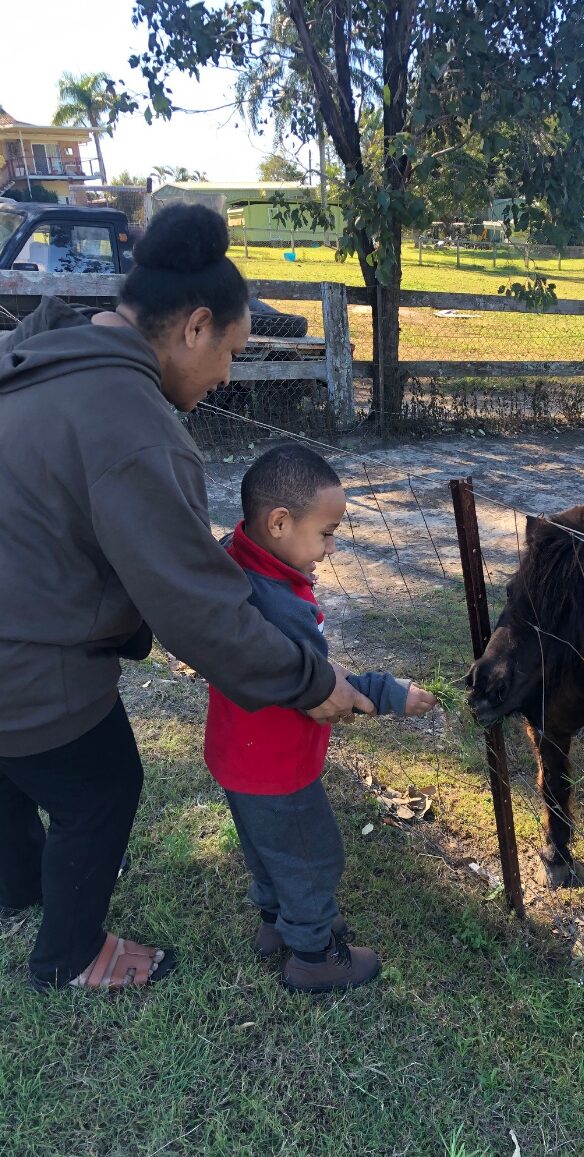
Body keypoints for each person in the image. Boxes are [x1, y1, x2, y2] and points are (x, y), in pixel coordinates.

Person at [0, 205, 374, 993]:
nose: (227, 376)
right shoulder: (134, 424)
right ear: (195, 327)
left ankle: (16, 887)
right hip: (28, 656)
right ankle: (70, 955)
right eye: (232, 352)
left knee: (12, 769)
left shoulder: (40, 350)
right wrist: (310, 682)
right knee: (99, 789)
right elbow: (196, 611)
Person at [204, 444, 436, 992]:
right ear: (279, 523)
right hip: (280, 768)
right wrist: (389, 693)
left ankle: (273, 926)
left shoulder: (229, 563)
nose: (330, 548)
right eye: (327, 533)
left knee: (265, 848)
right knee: (312, 857)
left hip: (235, 756)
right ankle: (312, 956)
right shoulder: (285, 610)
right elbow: (320, 686)